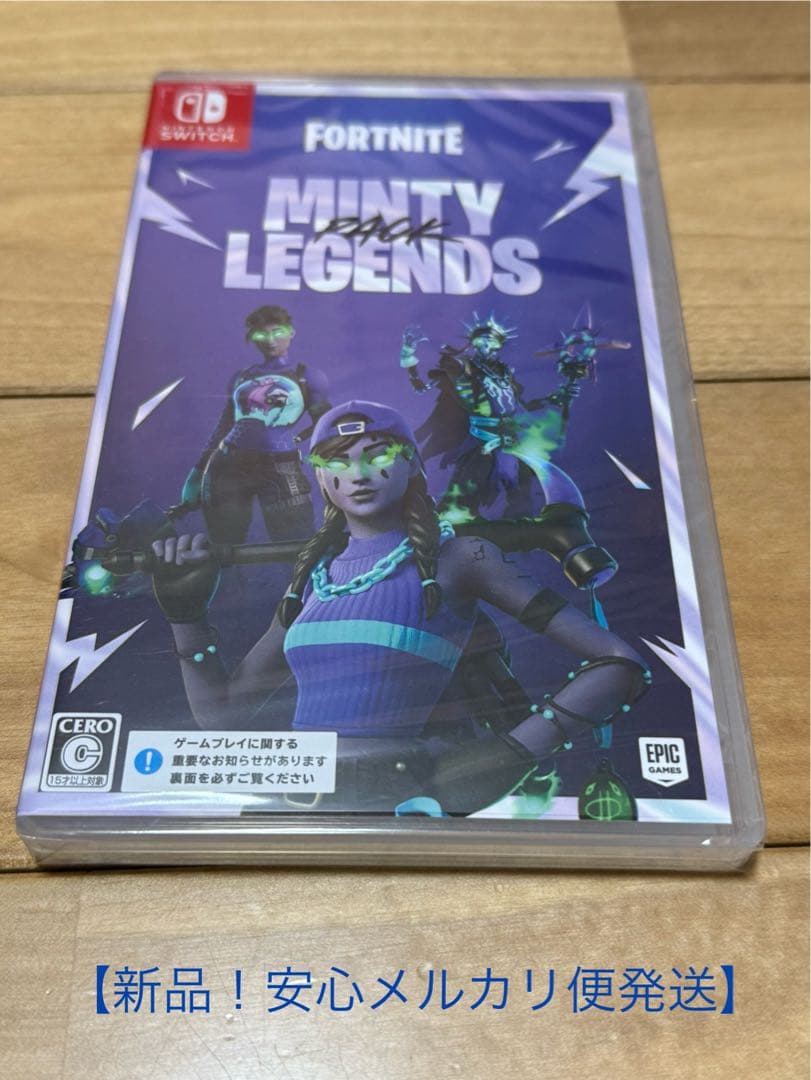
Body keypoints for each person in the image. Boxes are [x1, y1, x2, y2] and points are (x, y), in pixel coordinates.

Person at [153, 401, 650, 815]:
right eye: (338, 461)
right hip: (290, 803)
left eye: (380, 454)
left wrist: (509, 755)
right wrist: (186, 617)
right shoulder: (313, 577)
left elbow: (620, 663)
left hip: (398, 801)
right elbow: (222, 720)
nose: (359, 474)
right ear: (321, 477)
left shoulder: (461, 558)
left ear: (412, 463)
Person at [179, 305, 331, 544]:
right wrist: (196, 474)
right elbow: (224, 426)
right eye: (261, 334)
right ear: (252, 338)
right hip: (228, 465)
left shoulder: (308, 377)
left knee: (296, 545)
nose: (270, 340)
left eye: (277, 332)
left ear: (291, 332)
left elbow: (326, 424)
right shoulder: (242, 377)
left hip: (281, 465)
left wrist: (312, 451)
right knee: (224, 547)